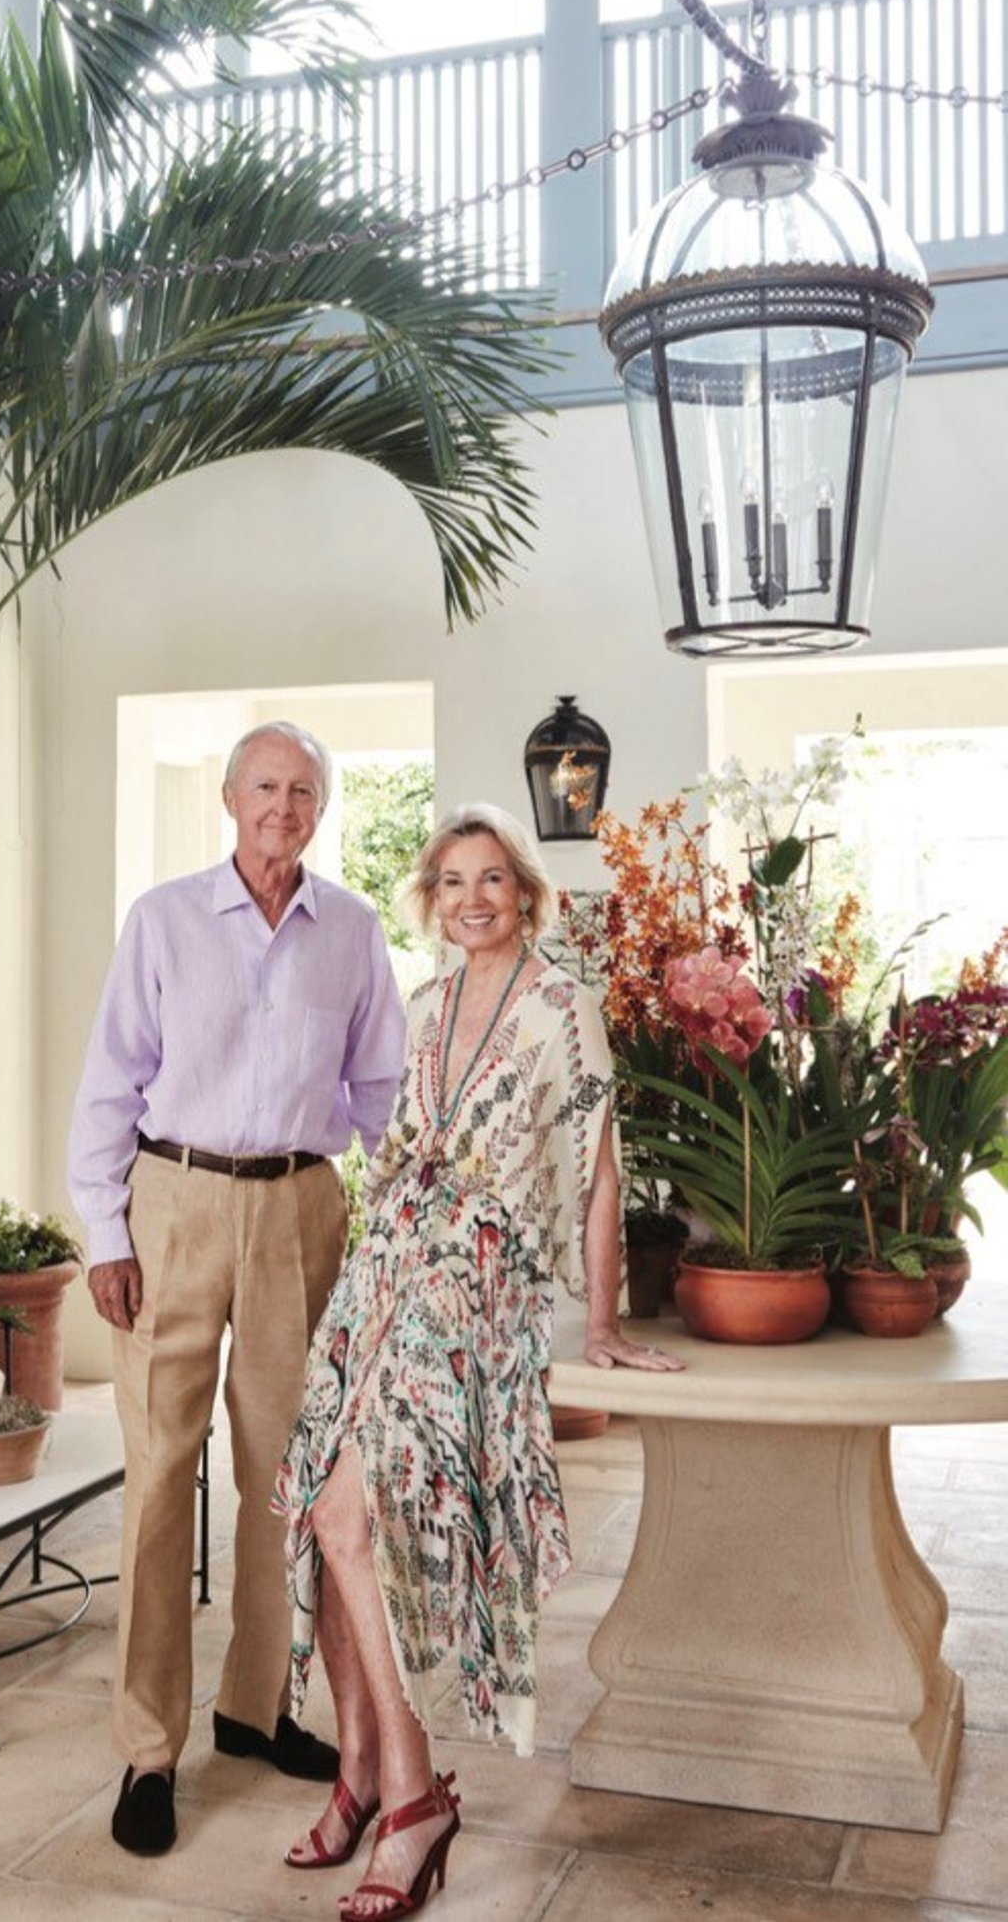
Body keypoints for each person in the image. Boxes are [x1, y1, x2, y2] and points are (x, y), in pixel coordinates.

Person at [273, 803, 682, 1922]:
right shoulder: (426, 1003)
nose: (472, 899)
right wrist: (370, 1273)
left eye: (492, 878)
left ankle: (414, 1802)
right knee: (318, 1506)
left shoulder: (563, 1006)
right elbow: (401, 1150)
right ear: (432, 899)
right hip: (386, 1263)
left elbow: (598, 1174)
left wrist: (599, 1323)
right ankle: (361, 1767)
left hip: (477, 1280)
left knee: (356, 1517)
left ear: (526, 893)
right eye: (451, 882)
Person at [68, 720, 409, 1858]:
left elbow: (383, 1094)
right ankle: (148, 1747)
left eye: (303, 789)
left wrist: (386, 1224)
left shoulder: (352, 933)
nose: (283, 805)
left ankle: (256, 1708)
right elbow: (110, 1081)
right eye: (264, 785)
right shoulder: (163, 920)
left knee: (286, 1475)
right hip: (171, 1206)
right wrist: (106, 1232)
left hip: (302, 1210)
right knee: (163, 1474)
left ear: (322, 808)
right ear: (229, 798)